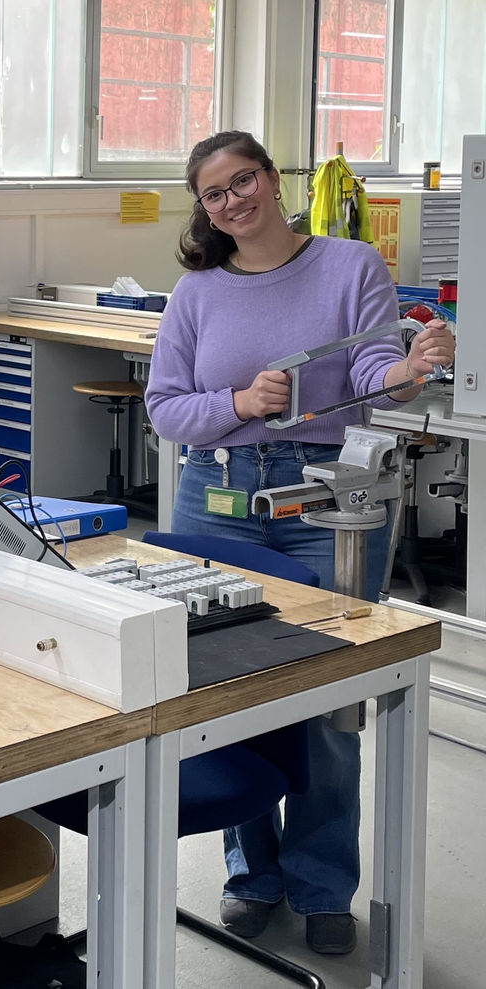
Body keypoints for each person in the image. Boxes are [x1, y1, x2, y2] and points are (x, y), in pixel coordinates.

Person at [144, 130, 455, 955]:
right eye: (214, 193)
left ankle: (322, 885)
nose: (234, 200)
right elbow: (166, 408)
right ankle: (254, 873)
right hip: (216, 490)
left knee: (326, 702)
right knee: (227, 690)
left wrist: (411, 366)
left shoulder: (351, 265)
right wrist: (240, 401)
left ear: (271, 179)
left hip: (326, 495)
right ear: (204, 209)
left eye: (244, 180)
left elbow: (373, 370)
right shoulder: (197, 291)